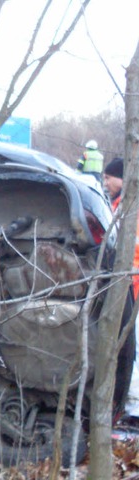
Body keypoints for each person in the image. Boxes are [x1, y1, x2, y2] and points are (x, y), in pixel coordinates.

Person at [103, 157, 139, 418]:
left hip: (133, 286)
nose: (105, 182)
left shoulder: (132, 206)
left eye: (109, 177)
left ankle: (132, 407)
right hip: (128, 286)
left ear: (123, 179)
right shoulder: (118, 203)